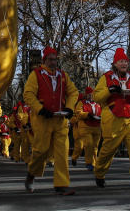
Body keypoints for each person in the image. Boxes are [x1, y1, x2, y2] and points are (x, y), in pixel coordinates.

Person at [23, 46, 79, 195]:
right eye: (50, 59)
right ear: (44, 60)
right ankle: (31, 174)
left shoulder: (63, 75)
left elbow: (73, 92)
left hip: (60, 119)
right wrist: (40, 109)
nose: (53, 62)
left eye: (55, 59)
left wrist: (69, 108)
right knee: (40, 151)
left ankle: (61, 184)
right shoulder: (36, 75)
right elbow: (28, 94)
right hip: (42, 119)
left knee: (62, 151)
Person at [93, 48, 130, 190]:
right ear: (115, 63)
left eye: (125, 61)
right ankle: (99, 173)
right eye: (120, 61)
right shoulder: (106, 77)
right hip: (113, 118)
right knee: (108, 150)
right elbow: (96, 97)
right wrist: (109, 90)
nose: (123, 63)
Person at [72, 87, 102, 171]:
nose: (91, 96)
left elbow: (104, 112)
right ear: (86, 95)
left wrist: (101, 117)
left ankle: (94, 163)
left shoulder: (99, 103)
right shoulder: (81, 103)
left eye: (92, 94)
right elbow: (78, 113)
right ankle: (88, 162)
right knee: (88, 144)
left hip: (97, 127)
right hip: (85, 127)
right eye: (89, 94)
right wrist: (88, 115)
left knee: (95, 146)